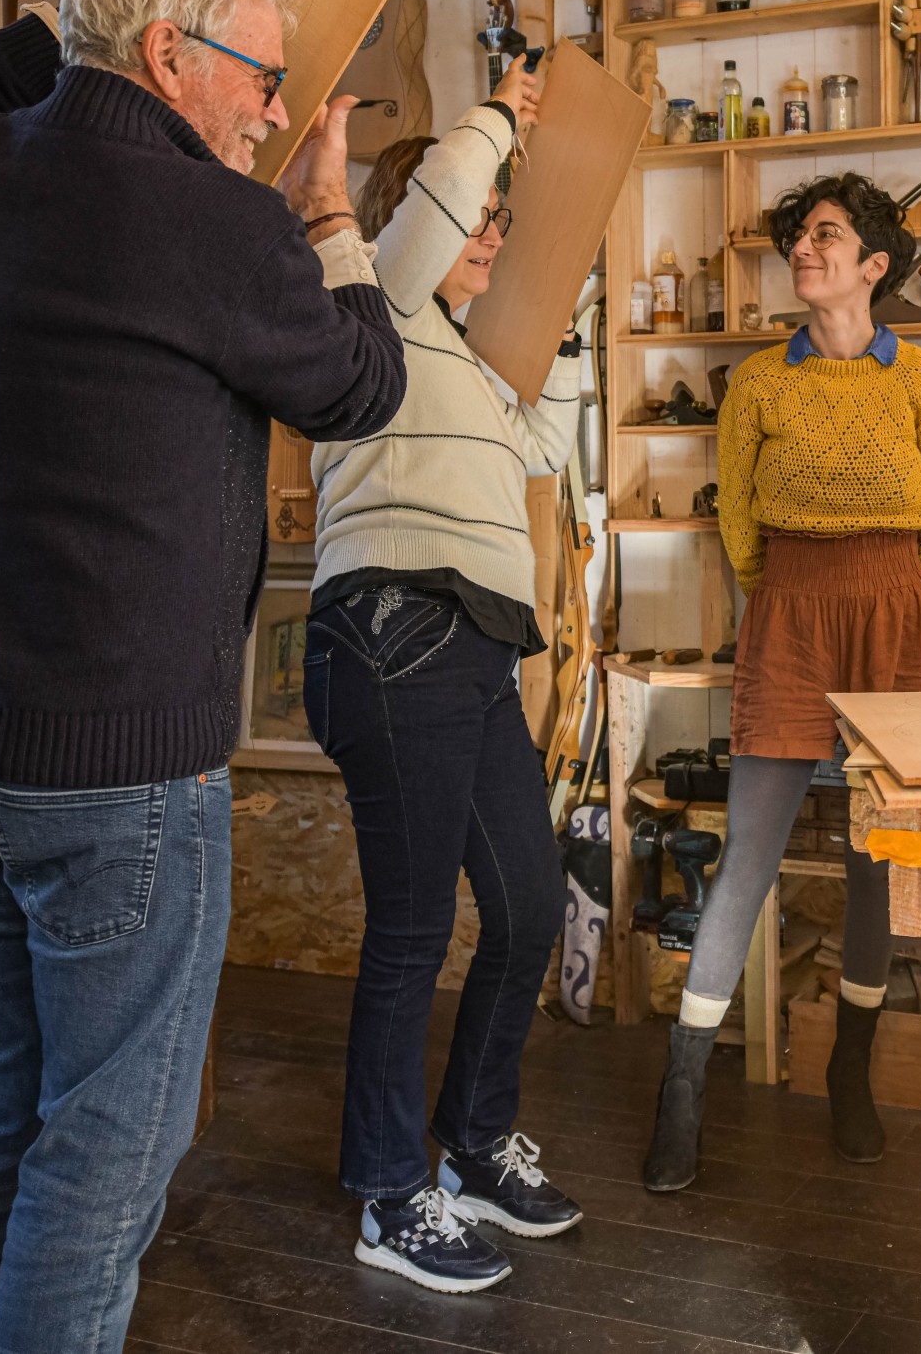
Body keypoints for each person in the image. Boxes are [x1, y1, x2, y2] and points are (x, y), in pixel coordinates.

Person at [0, 0, 407, 1354]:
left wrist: (79, 13)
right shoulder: (216, 226)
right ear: (169, 55)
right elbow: (362, 381)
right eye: (263, 78)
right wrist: (332, 212)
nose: (280, 112)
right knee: (106, 1153)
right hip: (114, 781)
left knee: (3, 1109)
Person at [304, 68, 586, 1294]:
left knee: (525, 909)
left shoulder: (459, 358)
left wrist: (553, 330)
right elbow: (439, 204)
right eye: (474, 219)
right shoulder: (369, 298)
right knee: (414, 932)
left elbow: (539, 450)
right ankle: (384, 1188)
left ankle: (470, 1146)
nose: (487, 239)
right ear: (411, 213)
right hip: (388, 630)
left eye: (495, 231)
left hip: (470, 645)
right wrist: (498, 123)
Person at [642, 172, 921, 1192]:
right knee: (750, 850)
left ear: (875, 264)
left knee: (880, 852)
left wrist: (886, 594)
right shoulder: (758, 383)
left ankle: (851, 1073)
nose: (804, 250)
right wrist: (791, 594)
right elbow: (739, 528)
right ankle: (683, 1092)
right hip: (786, 610)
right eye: (797, 237)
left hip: (895, 614)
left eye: (825, 236)